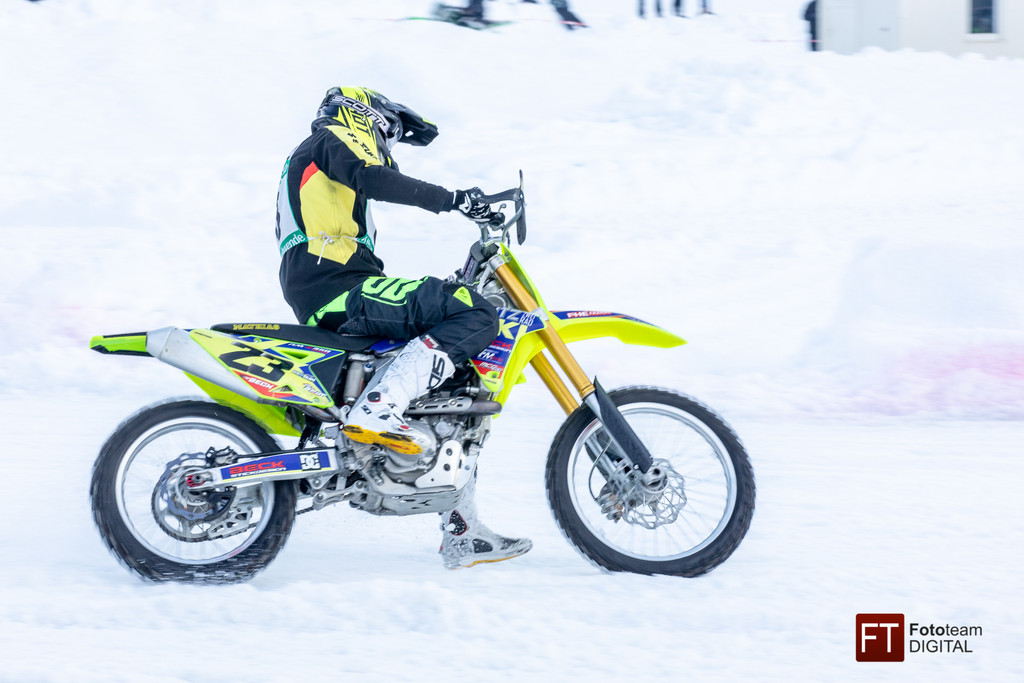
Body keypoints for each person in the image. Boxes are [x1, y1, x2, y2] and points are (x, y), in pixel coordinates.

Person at [275, 86, 532, 569]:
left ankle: (462, 531)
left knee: (458, 381)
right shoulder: (327, 139)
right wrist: (453, 200)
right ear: (360, 115)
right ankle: (377, 410)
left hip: (337, 285)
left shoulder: (321, 160)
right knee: (476, 313)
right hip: (338, 287)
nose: (387, 144)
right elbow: (370, 176)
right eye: (386, 131)